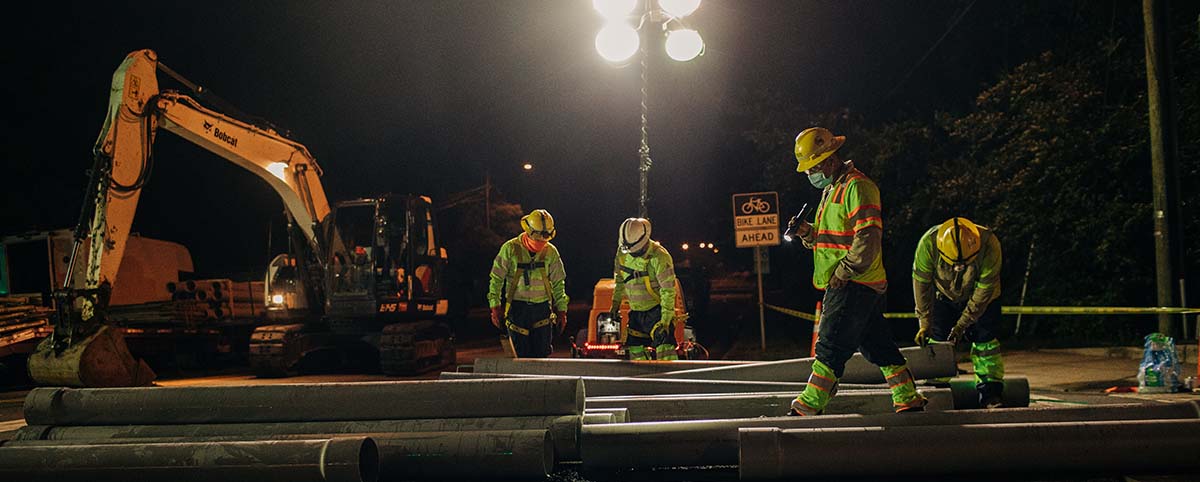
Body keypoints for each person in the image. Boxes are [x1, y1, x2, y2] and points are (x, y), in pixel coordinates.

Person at [787, 127, 928, 416]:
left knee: (829, 343)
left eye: (812, 168)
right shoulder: (833, 189)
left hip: (854, 281)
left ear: (828, 160)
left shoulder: (858, 187)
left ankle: (809, 404)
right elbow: (833, 237)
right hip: (859, 282)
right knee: (878, 346)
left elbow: (867, 238)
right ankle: (908, 397)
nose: (809, 175)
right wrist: (807, 232)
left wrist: (844, 271)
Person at [913, 217, 1005, 407]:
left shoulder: (989, 244)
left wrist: (962, 325)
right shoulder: (928, 243)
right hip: (943, 297)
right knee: (938, 341)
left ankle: (990, 392)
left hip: (984, 299)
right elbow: (921, 286)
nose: (959, 268)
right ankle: (936, 390)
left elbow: (982, 293)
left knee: (985, 343)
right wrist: (924, 323)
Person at [487, 209, 569, 358]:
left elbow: (558, 283)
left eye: (545, 241)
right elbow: (496, 279)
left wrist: (562, 311)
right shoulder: (510, 249)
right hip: (517, 310)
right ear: (528, 233)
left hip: (542, 310)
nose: (541, 245)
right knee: (520, 356)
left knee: (542, 355)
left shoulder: (551, 252)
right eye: (538, 241)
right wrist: (495, 306)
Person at [610, 218, 679, 360]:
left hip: (657, 312)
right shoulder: (622, 253)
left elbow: (668, 291)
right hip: (636, 313)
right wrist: (615, 305)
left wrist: (665, 321)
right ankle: (642, 380)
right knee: (635, 351)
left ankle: (669, 380)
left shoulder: (660, 256)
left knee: (665, 351)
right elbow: (620, 281)